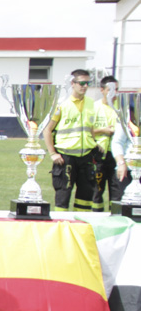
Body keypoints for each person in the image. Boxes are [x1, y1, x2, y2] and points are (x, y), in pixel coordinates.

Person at [44, 69, 99, 212]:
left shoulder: (91, 104)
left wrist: (95, 143)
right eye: (81, 83)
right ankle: (61, 227)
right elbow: (47, 130)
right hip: (65, 157)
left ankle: (82, 227)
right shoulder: (61, 104)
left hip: (86, 157)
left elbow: (90, 128)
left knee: (86, 197)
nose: (85, 86)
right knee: (63, 195)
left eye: (88, 83)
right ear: (72, 83)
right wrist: (53, 153)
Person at [93, 76, 121, 208]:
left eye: (116, 89)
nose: (113, 93)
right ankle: (94, 219)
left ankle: (115, 218)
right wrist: (103, 130)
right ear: (102, 90)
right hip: (99, 153)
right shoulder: (94, 107)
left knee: (117, 191)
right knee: (97, 190)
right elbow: (87, 130)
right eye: (110, 90)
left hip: (116, 155)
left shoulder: (121, 108)